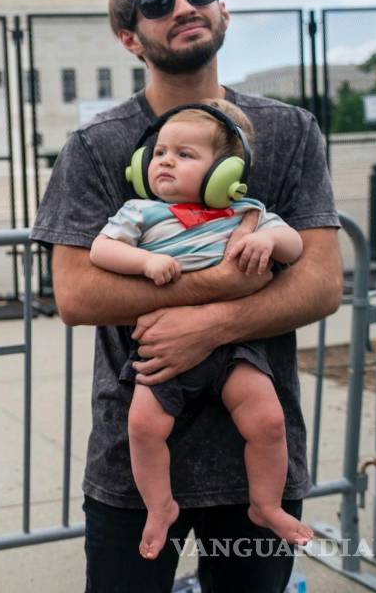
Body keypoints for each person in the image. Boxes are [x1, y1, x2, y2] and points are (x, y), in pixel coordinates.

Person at [30, 0, 343, 593]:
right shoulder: (96, 146)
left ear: (222, 7)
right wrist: (230, 280)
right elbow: (76, 292)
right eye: (158, 1)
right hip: (135, 460)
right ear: (129, 37)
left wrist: (211, 323)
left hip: (256, 453)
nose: (183, 6)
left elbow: (319, 280)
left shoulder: (290, 132)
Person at [90, 99, 311, 560]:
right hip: (164, 351)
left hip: (233, 349)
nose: (165, 160)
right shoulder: (142, 212)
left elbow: (293, 247)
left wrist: (266, 238)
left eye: (185, 154)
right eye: (161, 152)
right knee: (143, 426)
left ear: (227, 174)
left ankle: (266, 505)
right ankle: (160, 505)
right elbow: (102, 250)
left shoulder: (246, 211)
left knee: (268, 422)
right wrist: (146, 260)